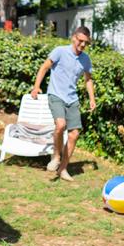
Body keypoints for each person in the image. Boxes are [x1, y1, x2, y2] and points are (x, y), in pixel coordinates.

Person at [30, 26, 95, 182]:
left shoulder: (85, 59)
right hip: (56, 95)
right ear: (73, 37)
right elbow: (44, 67)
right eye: (80, 41)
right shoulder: (60, 51)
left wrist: (92, 98)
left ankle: (63, 168)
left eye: (86, 42)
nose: (82, 45)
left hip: (72, 99)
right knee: (60, 125)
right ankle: (56, 156)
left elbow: (88, 79)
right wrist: (36, 86)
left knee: (74, 134)